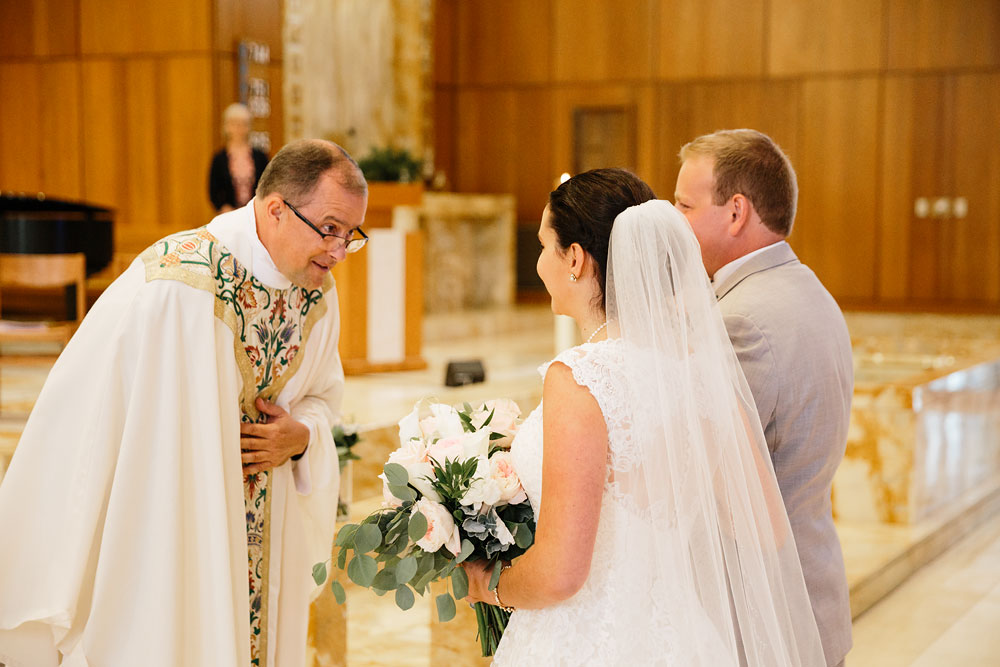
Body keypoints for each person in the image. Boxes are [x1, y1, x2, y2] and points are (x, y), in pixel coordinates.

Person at [0, 139, 369, 667]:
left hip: (273, 524)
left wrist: (303, 435)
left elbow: (321, 398)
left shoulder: (317, 294)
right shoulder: (177, 284)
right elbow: (91, 409)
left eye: (351, 235)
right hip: (178, 527)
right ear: (275, 210)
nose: (338, 251)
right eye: (329, 228)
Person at [463, 169, 826, 665]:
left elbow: (560, 575)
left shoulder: (580, 376)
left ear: (575, 259)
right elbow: (766, 528)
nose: (539, 262)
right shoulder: (699, 373)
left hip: (587, 640)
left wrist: (489, 586)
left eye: (546, 246)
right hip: (685, 637)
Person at [674, 129, 853, 667]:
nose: (672, 221)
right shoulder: (808, 289)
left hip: (761, 617)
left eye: (683, 205)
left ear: (735, 211)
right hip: (812, 590)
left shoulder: (740, 321)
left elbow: (706, 477)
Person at [209, 103, 271, 213]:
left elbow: (268, 184)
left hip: (256, 213)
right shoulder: (219, 159)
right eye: (234, 124)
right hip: (228, 215)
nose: (238, 128)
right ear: (226, 126)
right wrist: (224, 208)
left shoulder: (260, 157)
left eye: (243, 124)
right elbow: (213, 190)